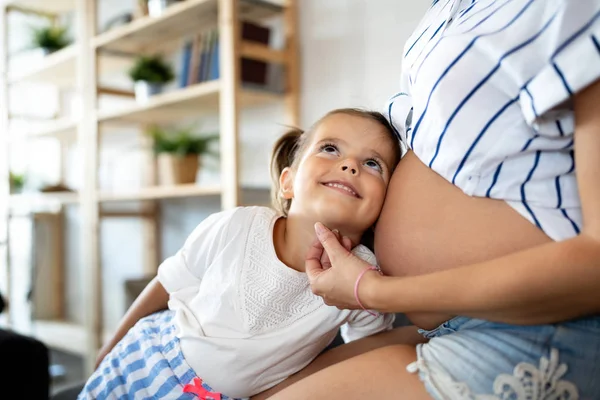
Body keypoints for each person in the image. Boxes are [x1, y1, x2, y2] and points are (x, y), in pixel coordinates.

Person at [257, 1, 600, 399]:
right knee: (260, 389)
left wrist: (370, 292)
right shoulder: (447, 9)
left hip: (526, 330)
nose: (351, 167)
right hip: (438, 322)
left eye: (373, 163)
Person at [77, 108, 402, 399]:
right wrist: (111, 345)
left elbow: (365, 351)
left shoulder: (365, 276)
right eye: (330, 148)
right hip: (147, 358)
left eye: (373, 164)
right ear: (288, 183)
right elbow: (167, 282)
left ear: (383, 207)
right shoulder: (239, 225)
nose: (350, 165)